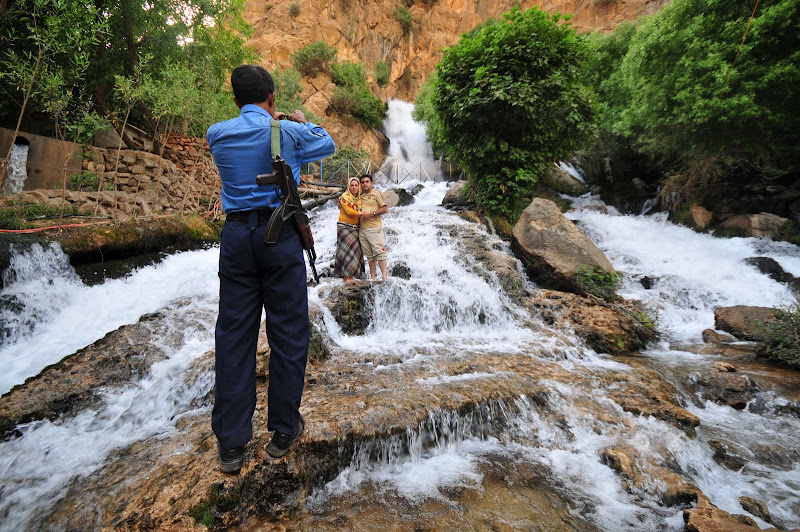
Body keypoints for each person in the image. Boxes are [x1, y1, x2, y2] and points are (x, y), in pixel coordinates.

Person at [206, 64, 335, 473]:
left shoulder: (217, 134)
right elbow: (327, 143)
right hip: (279, 239)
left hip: (237, 239)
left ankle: (231, 444)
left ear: (234, 99)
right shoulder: (291, 132)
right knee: (288, 332)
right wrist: (296, 120)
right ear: (272, 97)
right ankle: (283, 430)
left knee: (234, 335)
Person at [358, 174, 389, 281]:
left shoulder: (376, 194)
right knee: (370, 256)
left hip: (374, 228)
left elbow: (385, 209)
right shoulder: (360, 197)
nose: (365, 184)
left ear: (372, 183)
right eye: (362, 182)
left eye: (367, 181)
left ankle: (384, 276)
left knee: (379, 252)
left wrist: (371, 214)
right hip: (362, 230)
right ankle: (373, 278)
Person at [334, 177, 364, 282]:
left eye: (356, 185)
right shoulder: (345, 197)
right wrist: (362, 214)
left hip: (356, 229)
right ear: (348, 187)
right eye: (352, 185)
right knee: (345, 251)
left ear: (359, 187)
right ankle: (346, 277)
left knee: (354, 252)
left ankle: (351, 276)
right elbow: (349, 212)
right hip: (344, 227)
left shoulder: (360, 199)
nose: (354, 187)